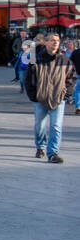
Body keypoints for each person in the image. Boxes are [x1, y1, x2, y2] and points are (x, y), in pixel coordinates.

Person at [25, 33, 76, 163]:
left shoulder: (64, 61)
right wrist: (33, 95)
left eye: (57, 41)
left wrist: (66, 95)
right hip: (40, 98)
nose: (55, 43)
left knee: (56, 127)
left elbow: (71, 78)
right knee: (40, 126)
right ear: (46, 43)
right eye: (52, 40)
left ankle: (53, 153)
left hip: (58, 99)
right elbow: (29, 79)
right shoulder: (36, 59)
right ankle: (40, 146)